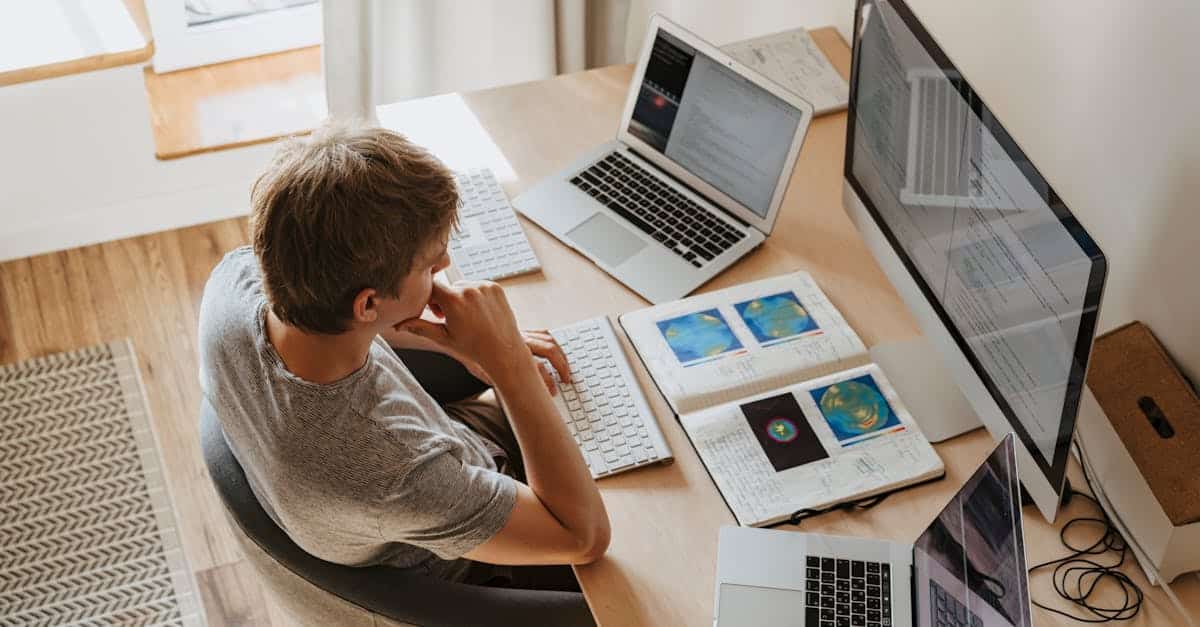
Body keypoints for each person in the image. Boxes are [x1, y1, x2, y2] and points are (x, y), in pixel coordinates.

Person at [197, 120, 609, 589]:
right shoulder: (392, 471)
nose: (446, 266)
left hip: (438, 457)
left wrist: (468, 342)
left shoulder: (235, 282)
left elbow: (336, 314)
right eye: (431, 265)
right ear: (368, 305)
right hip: (486, 558)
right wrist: (509, 365)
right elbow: (582, 537)